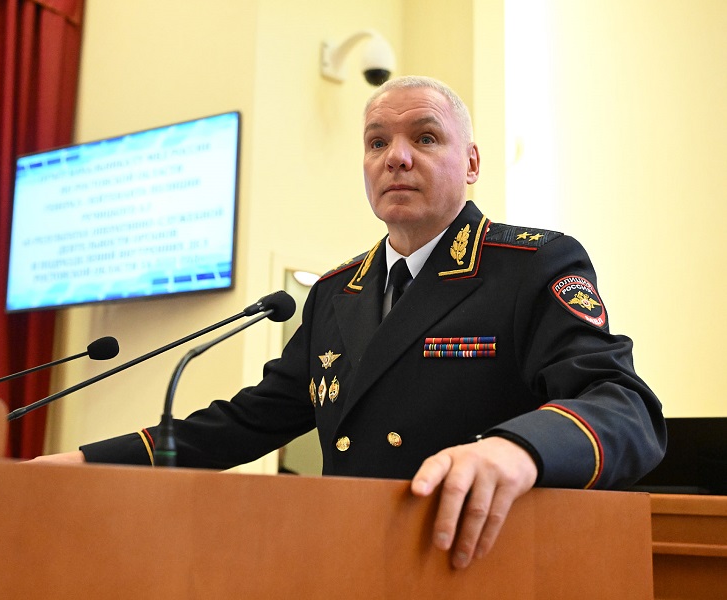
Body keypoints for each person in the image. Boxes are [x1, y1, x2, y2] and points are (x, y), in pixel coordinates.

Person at [34, 76, 666, 570]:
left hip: (478, 565)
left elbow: (623, 405)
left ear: (471, 162)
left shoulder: (530, 265)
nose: (397, 158)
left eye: (425, 138)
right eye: (377, 142)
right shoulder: (337, 293)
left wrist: (517, 448)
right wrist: (87, 464)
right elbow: (245, 423)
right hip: (350, 561)